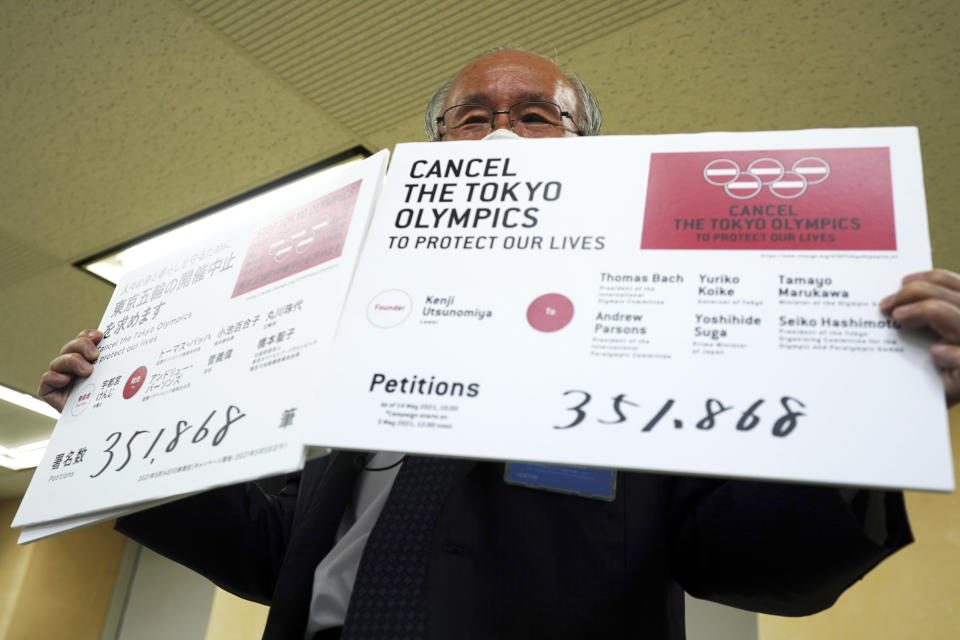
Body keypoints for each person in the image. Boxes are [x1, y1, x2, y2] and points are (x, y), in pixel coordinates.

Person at [39, 50, 960, 640]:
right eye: (473, 118)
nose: (502, 135)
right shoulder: (344, 331)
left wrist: (875, 406)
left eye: (536, 115)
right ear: (433, 152)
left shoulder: (669, 341)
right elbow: (273, 550)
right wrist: (109, 435)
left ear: (590, 150)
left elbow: (754, 565)